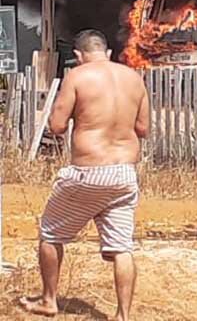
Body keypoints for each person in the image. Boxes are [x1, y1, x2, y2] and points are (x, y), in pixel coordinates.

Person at [19, 29, 150, 320]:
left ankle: (49, 300)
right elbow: (143, 129)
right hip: (124, 173)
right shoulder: (134, 78)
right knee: (122, 247)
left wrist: (83, 115)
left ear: (78, 56)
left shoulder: (77, 77)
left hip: (88, 172)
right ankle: (123, 315)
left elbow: (56, 125)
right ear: (108, 53)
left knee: (51, 234)